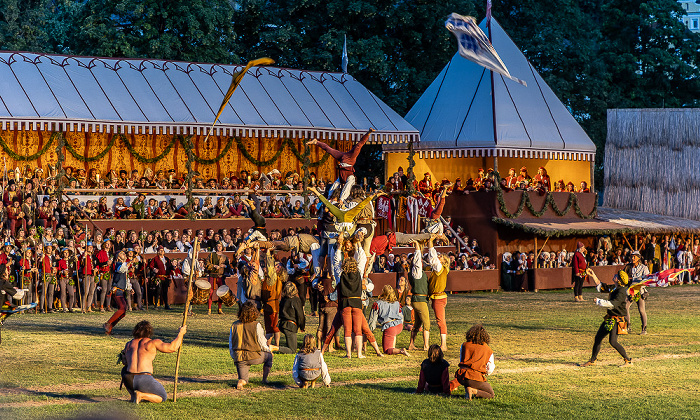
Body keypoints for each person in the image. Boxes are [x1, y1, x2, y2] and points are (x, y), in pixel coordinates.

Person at [120, 320, 186, 403]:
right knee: (162, 397)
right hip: (144, 378)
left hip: (128, 379)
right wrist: (181, 333)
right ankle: (141, 395)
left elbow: (124, 362)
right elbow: (172, 348)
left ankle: (133, 396)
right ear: (149, 332)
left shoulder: (129, 344)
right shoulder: (152, 343)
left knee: (124, 369)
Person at [579, 269, 633, 367]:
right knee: (598, 338)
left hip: (617, 320)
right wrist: (593, 275)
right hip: (610, 318)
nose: (614, 275)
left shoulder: (621, 291)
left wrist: (599, 301)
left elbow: (613, 304)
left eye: (616, 275)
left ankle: (628, 361)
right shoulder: (614, 288)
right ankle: (592, 360)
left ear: (619, 280)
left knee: (613, 342)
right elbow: (601, 287)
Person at [306, 128, 374, 202]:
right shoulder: (350, 178)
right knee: (358, 146)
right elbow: (347, 188)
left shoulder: (342, 179)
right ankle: (368, 133)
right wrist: (341, 199)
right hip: (349, 160)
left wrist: (330, 198)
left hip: (343, 161)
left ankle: (316, 142)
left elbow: (337, 186)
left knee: (329, 150)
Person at [229, 301, 274, 389]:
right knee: (269, 357)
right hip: (253, 356)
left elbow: (231, 342)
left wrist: (233, 355)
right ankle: (264, 380)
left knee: (243, 379)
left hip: (239, 357)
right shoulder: (256, 325)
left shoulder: (234, 325)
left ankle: (241, 382)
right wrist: (268, 351)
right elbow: (261, 342)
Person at [449, 324, 495, 399]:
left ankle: (468, 390)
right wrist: (486, 373)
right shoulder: (487, 349)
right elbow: (490, 368)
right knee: (490, 394)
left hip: (462, 377)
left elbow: (462, 360)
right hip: (475, 377)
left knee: (470, 381)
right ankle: (473, 391)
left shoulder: (464, 345)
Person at [368, 285, 409, 356]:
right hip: (399, 325)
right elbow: (401, 315)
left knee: (387, 350)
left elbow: (372, 320)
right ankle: (394, 348)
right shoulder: (397, 303)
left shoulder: (378, 304)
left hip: (390, 327)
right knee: (392, 339)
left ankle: (401, 351)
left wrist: (370, 330)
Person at [407, 241, 430, 351]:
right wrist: (417, 247)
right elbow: (416, 260)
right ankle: (426, 346)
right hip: (420, 299)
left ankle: (411, 344)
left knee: (417, 324)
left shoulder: (414, 272)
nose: (421, 261)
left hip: (416, 299)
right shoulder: (417, 272)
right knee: (427, 324)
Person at [104, 250, 129, 335]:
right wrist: (128, 263)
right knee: (122, 308)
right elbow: (121, 270)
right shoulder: (118, 264)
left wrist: (129, 287)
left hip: (121, 290)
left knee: (123, 313)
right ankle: (108, 323)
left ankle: (110, 327)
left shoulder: (123, 265)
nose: (124, 254)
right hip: (117, 290)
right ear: (118, 257)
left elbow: (125, 278)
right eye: (121, 253)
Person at [625, 250, 650, 335]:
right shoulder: (628, 267)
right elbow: (624, 277)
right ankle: (628, 326)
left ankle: (644, 329)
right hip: (630, 290)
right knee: (625, 307)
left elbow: (647, 280)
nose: (633, 258)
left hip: (640, 290)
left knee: (641, 310)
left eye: (634, 256)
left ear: (639, 258)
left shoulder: (644, 267)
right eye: (632, 256)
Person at [279, 281, 306, 353]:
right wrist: (302, 326)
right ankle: (275, 348)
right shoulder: (295, 300)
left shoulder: (283, 299)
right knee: (292, 350)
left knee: (290, 344)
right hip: (290, 326)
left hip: (283, 324)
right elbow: (300, 315)